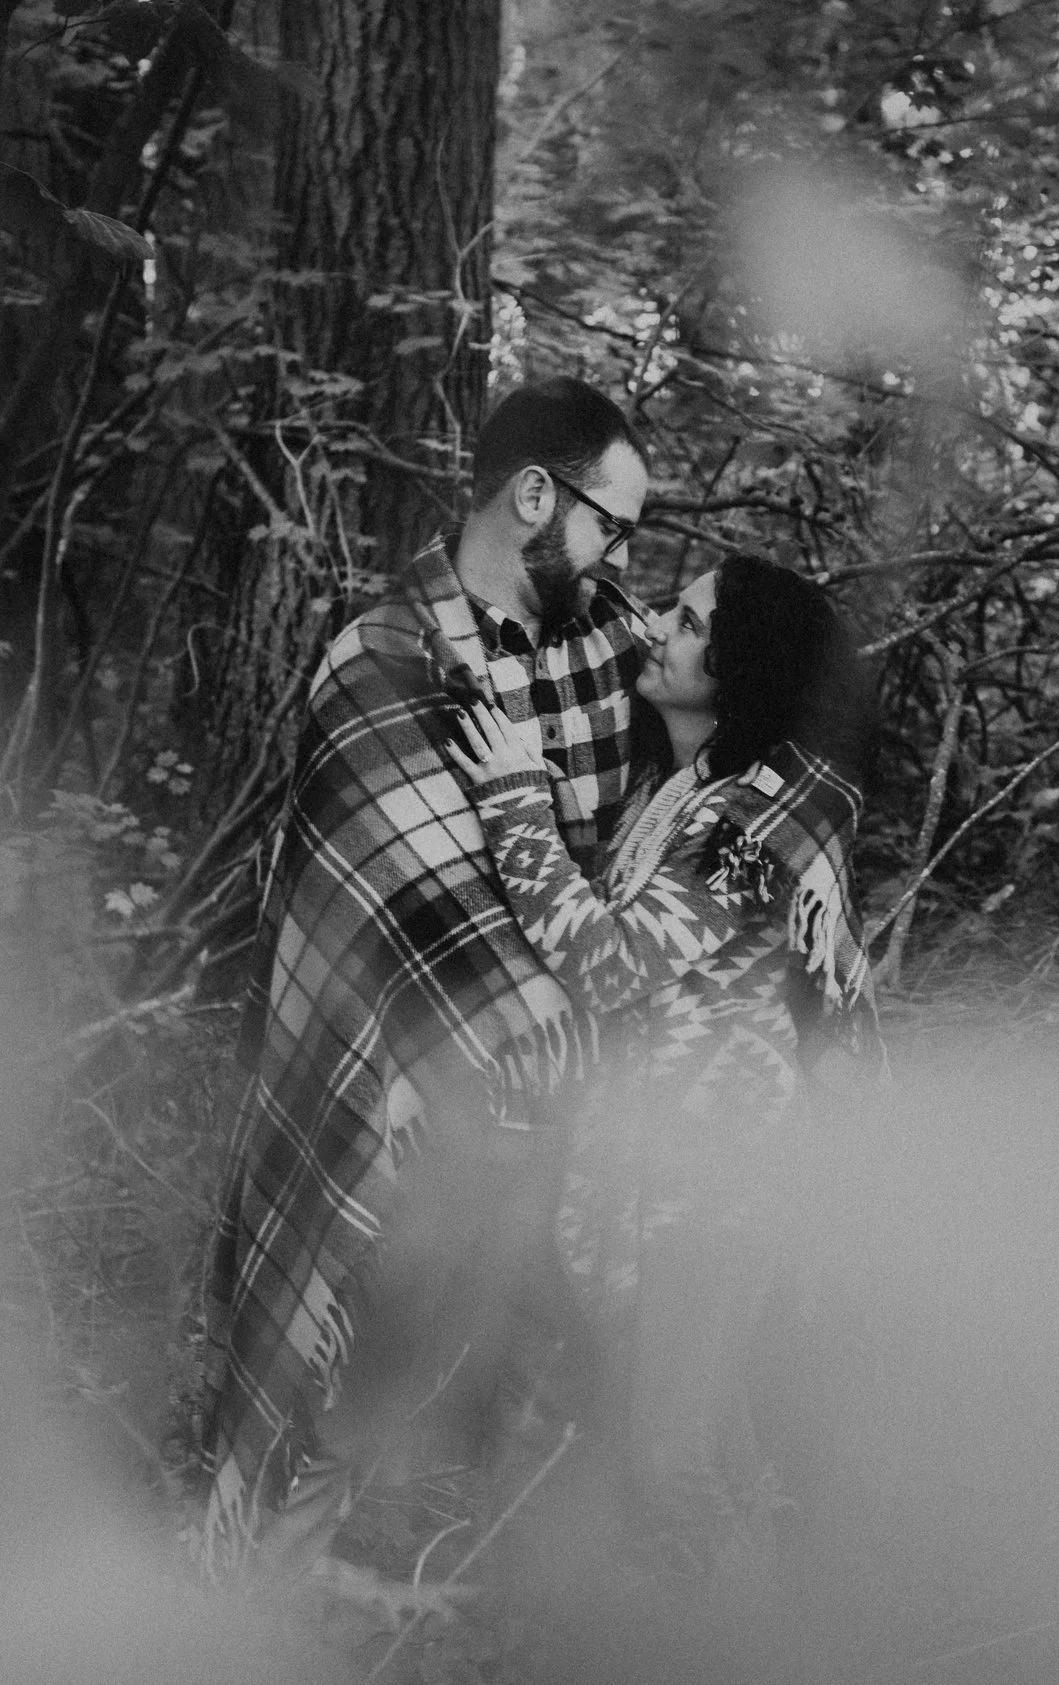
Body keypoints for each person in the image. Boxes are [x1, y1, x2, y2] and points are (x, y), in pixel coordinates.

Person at [197, 378, 652, 1564]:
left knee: (545, 1384)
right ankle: (258, 1588)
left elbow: (699, 790)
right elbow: (392, 889)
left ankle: (509, 1596)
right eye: (612, 523)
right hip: (404, 1088)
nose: (621, 556)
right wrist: (546, 1008)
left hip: (571, 1104)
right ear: (535, 495)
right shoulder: (383, 655)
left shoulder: (615, 644)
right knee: (351, 1362)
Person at [446, 554, 875, 1581]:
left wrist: (514, 799)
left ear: (739, 666)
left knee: (673, 1465)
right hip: (633, 1167)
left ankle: (741, 1639)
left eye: (687, 622)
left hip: (714, 1185)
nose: (655, 629)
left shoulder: (757, 826)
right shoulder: (676, 791)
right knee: (653, 1438)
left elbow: (610, 963)